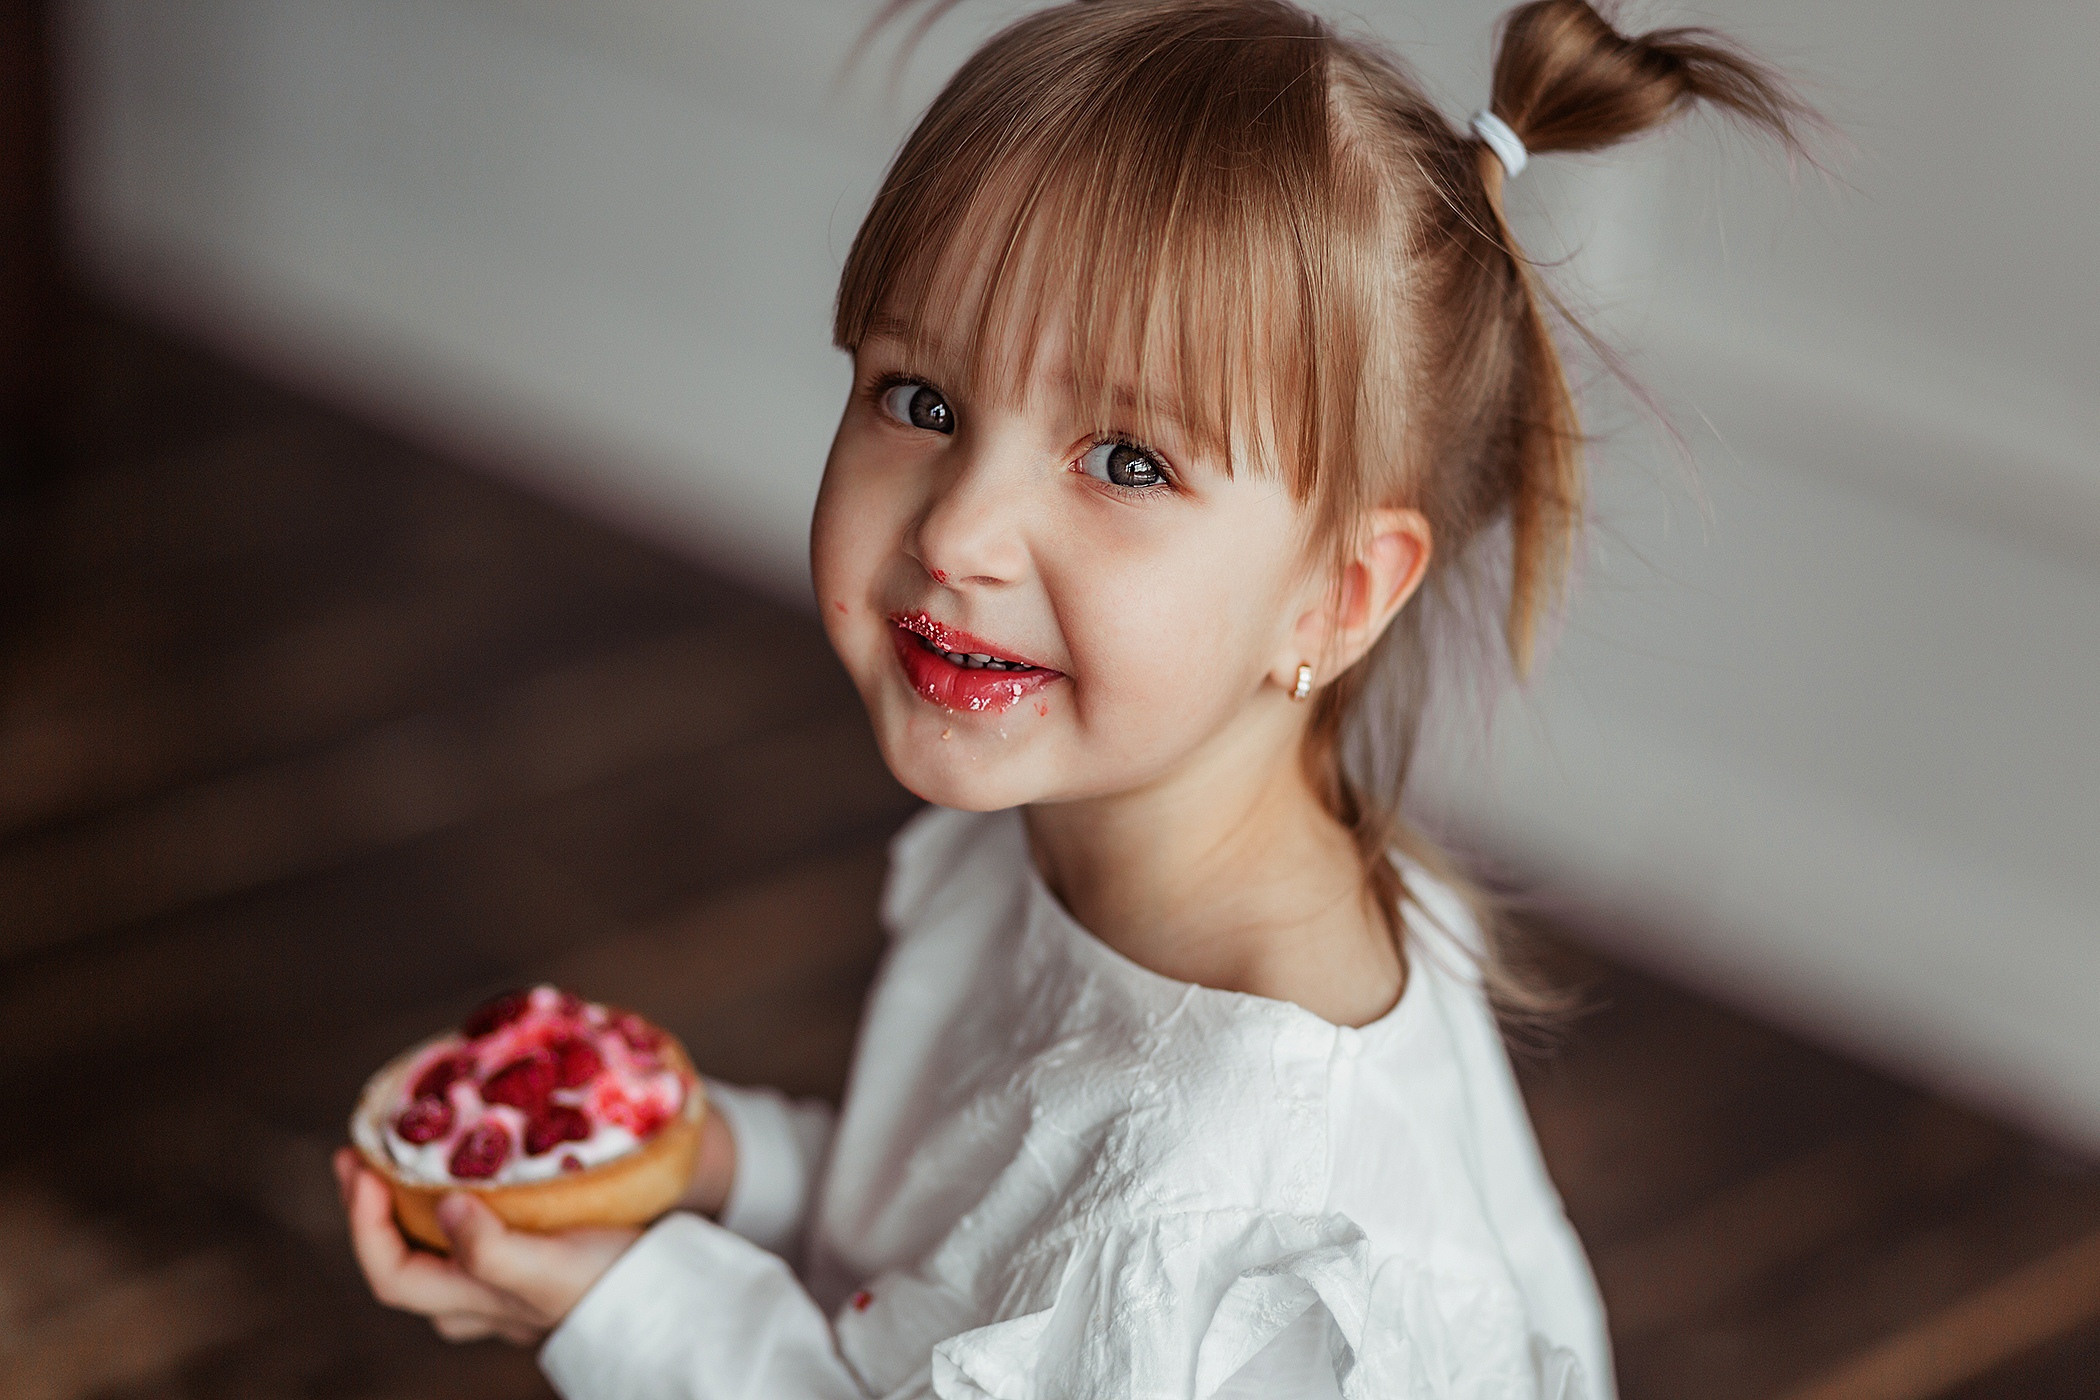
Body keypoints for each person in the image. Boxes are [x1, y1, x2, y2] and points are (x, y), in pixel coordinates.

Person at [335, 1, 1811, 1393]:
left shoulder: (1220, 1196)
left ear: (1337, 597)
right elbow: (962, 1250)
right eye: (921, 400)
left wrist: (622, 1306)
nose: (959, 531)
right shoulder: (1088, 817)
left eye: (1126, 461)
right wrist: (719, 1161)